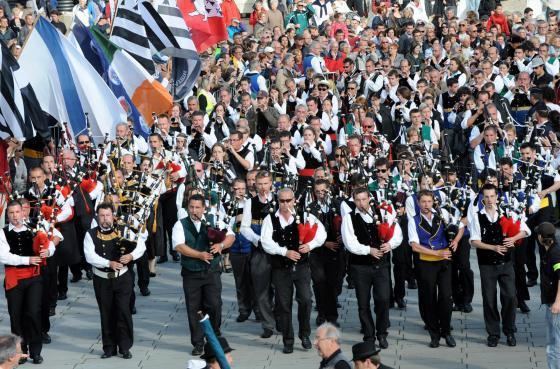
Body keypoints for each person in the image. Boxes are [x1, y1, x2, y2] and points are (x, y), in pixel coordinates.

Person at [261, 187, 327, 353]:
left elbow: (322, 233)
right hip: (280, 268)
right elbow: (266, 242)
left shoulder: (305, 216)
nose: (285, 204)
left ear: (294, 200)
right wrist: (284, 252)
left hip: (302, 267)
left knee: (306, 300)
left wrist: (310, 245)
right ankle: (288, 340)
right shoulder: (270, 219)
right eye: (281, 201)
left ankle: (304, 334)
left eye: (288, 200)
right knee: (284, 305)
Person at [172, 194, 235, 355]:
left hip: (211, 271)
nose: (194, 211)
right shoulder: (181, 224)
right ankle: (198, 343)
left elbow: (231, 235)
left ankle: (214, 336)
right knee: (194, 308)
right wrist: (199, 255)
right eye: (191, 207)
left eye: (197, 207)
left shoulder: (215, 220)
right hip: (191, 272)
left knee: (214, 305)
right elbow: (179, 246)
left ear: (204, 208)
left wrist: (221, 245)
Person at [468, 184, 530, 348]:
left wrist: (513, 238)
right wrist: (493, 247)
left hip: (506, 263)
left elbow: (525, 230)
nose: (489, 200)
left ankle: (509, 330)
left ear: (497, 197)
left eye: (492, 196)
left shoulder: (507, 213)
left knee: (510, 296)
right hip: (487, 264)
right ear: (482, 198)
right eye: (486, 197)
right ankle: (493, 333)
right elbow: (474, 241)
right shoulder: (477, 216)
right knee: (489, 299)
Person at [0, 200, 61, 364]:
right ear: (8, 215)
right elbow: (4, 256)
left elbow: (56, 237)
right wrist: (27, 259)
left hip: (34, 278)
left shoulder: (35, 227)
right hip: (14, 278)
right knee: (16, 316)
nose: (15, 216)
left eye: (17, 212)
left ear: (23, 212)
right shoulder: (2, 233)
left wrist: (48, 250)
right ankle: (20, 351)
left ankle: (36, 351)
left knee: (33, 313)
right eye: (11, 213)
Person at [341, 187, 403, 349]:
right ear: (354, 201)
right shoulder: (349, 218)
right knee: (363, 303)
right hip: (360, 266)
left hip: (381, 265)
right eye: (357, 200)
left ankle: (382, 333)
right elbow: (350, 242)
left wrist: (390, 244)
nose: (361, 203)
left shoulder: (383, 213)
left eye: (363, 199)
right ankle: (369, 335)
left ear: (369, 198)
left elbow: (397, 232)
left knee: (383, 299)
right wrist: (368, 250)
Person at [84, 202, 147, 359]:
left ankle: (125, 347)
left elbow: (141, 245)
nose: (105, 219)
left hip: (122, 278)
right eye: (102, 216)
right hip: (102, 279)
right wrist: (108, 263)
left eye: (108, 215)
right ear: (97, 217)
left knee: (123, 311)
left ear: (113, 216)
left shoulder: (124, 230)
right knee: (106, 313)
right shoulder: (90, 234)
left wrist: (131, 256)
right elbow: (90, 256)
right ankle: (109, 348)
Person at [535, 222, 560, 369]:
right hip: (551, 300)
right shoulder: (549, 249)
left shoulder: (555, 253)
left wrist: (557, 302)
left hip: (555, 303)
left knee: (553, 343)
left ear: (540, 237)